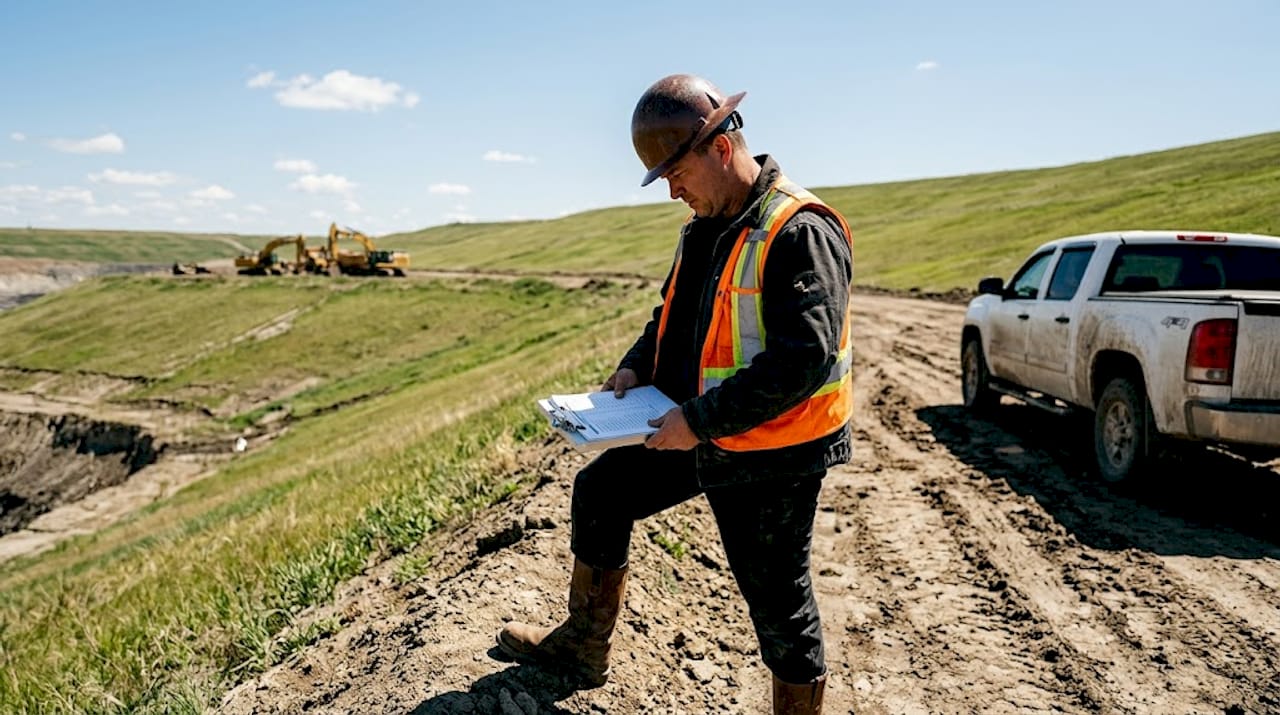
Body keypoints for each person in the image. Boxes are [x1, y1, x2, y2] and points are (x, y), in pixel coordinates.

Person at [496, 73, 854, 715]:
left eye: (675, 173)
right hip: (697, 427)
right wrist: (636, 368)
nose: (672, 190)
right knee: (602, 491)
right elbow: (670, 318)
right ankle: (584, 646)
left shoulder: (800, 230)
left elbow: (804, 360)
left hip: (774, 448)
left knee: (777, 598)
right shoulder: (703, 228)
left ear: (720, 147)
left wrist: (700, 420)